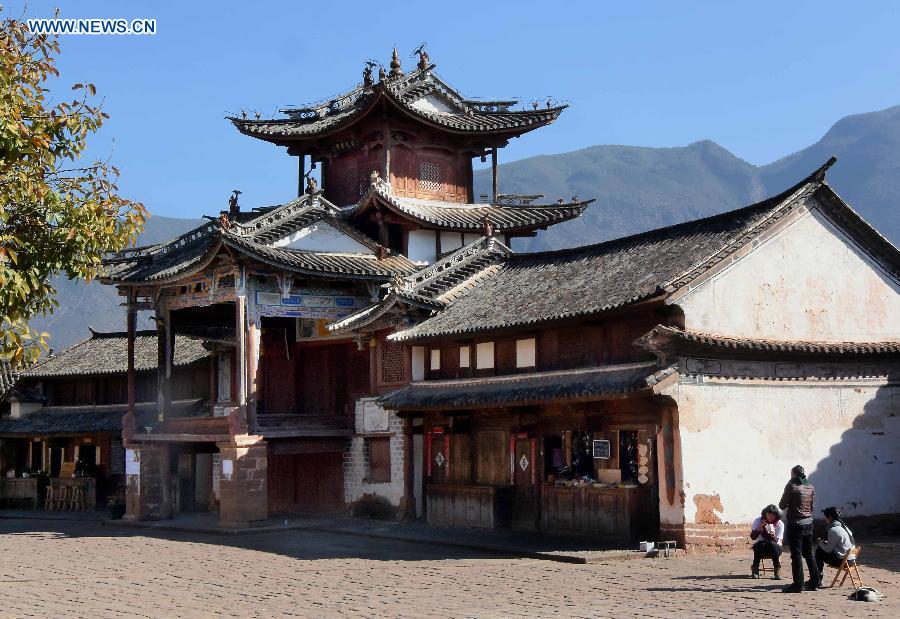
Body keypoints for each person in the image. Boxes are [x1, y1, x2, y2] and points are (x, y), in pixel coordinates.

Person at [779, 464, 819, 592]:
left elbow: (782, 505)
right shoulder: (810, 487)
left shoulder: (792, 487)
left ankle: (798, 583)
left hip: (795, 523)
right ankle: (814, 581)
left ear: (794, 474)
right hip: (808, 523)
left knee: (796, 554)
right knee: (809, 553)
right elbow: (812, 506)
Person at [815, 506, 855, 587]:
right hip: (852, 560)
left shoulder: (833, 530)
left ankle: (817, 579)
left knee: (819, 551)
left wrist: (820, 542)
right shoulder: (844, 527)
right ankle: (818, 578)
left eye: (826, 517)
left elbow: (828, 550)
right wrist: (826, 542)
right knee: (821, 549)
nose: (825, 519)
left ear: (830, 518)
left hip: (843, 562)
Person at [749, 504, 784, 579]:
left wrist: (773, 536)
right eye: (768, 515)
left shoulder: (779, 523)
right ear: (765, 514)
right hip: (761, 547)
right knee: (758, 545)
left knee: (772, 544)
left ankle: (777, 569)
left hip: (775, 549)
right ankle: (755, 569)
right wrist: (759, 528)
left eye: (773, 515)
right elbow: (753, 537)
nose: (770, 517)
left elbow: (778, 541)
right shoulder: (758, 520)